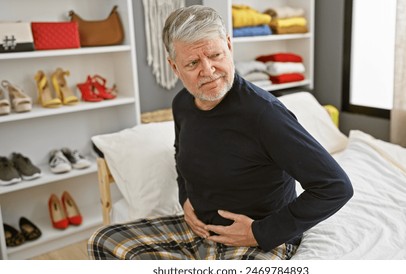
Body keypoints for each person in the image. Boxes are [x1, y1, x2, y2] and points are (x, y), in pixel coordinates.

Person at [87, 5, 353, 260]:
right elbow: (181, 154)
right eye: (192, 63)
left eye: (215, 55)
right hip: (199, 229)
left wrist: (259, 232)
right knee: (102, 241)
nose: (208, 71)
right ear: (174, 67)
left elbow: (335, 186)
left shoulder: (265, 114)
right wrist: (185, 199)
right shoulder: (182, 104)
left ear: (228, 44)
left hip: (254, 237)